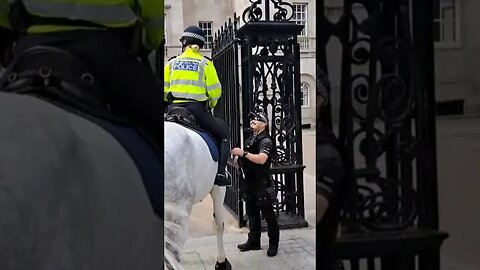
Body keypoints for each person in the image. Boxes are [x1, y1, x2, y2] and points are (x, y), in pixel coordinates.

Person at [0, 0, 164, 146]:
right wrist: (147, 41)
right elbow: (153, 14)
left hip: (32, 48)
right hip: (106, 53)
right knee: (158, 127)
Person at [164, 25, 231, 186]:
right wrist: (211, 104)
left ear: (184, 42)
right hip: (196, 110)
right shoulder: (205, 64)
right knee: (224, 135)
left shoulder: (171, 64)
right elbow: (215, 91)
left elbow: (164, 89)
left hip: (172, 109)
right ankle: (221, 173)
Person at [231, 111, 280, 257]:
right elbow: (247, 158)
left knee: (269, 216)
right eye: (252, 119)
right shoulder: (251, 139)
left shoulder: (266, 141)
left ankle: (273, 244)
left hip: (262, 184)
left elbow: (261, 159)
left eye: (257, 120)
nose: (253, 121)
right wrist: (238, 160)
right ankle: (254, 241)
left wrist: (243, 153)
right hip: (250, 182)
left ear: (264, 124)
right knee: (252, 214)